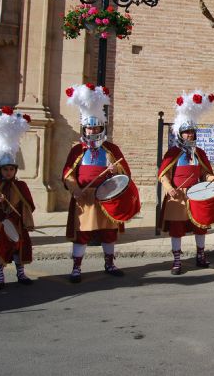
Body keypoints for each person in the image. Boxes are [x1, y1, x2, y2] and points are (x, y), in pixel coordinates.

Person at [62, 84, 133, 283]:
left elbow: (124, 172)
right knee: (82, 234)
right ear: (84, 128)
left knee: (108, 232)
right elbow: (68, 173)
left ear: (102, 127)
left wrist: (114, 170)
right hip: (84, 198)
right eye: (89, 127)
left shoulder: (111, 149)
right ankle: (76, 268)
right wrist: (75, 189)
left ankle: (110, 264)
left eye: (96, 127)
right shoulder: (77, 150)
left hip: (107, 197)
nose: (92, 130)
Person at [158, 90, 214, 275]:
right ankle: (177, 260)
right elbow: (164, 174)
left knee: (200, 227)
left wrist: (213, 178)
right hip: (177, 196)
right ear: (180, 134)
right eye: (186, 133)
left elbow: (205, 174)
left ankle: (201, 256)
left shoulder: (199, 153)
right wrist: (169, 188)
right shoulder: (172, 153)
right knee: (177, 229)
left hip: (197, 194)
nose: (190, 136)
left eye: (192, 132)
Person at [0, 107, 35, 289]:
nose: (9, 172)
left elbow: (28, 204)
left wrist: (25, 215)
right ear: (0, 170)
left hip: (17, 223)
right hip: (0, 224)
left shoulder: (21, 186)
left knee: (19, 249)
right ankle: (0, 277)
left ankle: (21, 274)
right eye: (5, 169)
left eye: (11, 169)